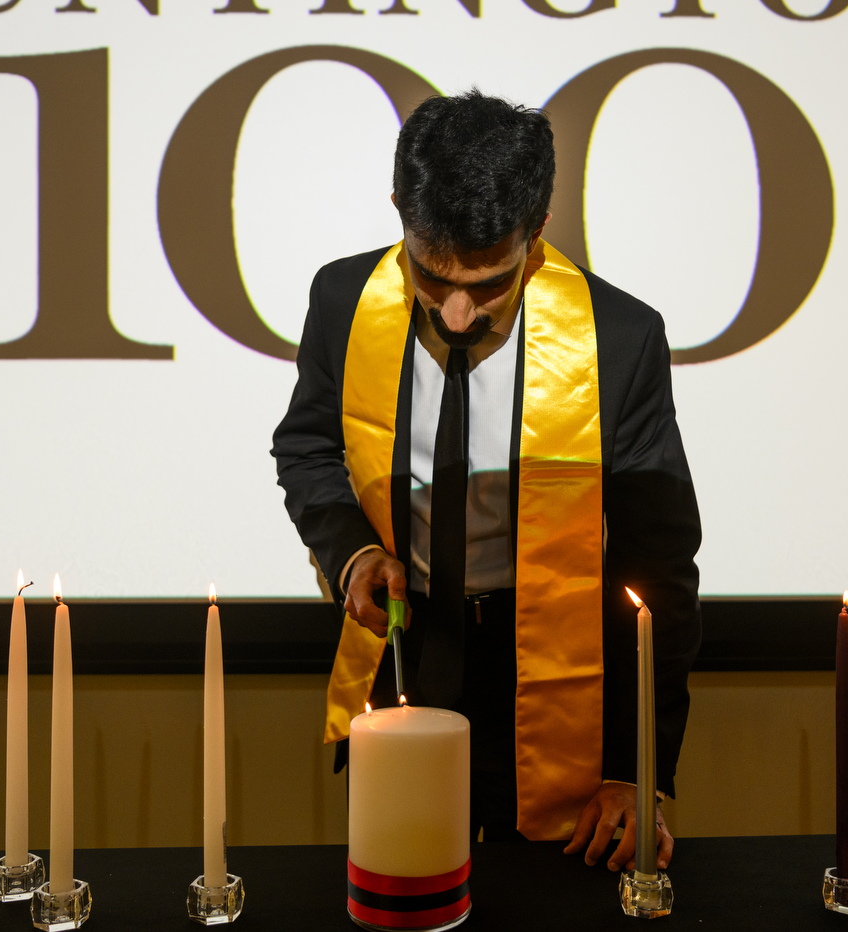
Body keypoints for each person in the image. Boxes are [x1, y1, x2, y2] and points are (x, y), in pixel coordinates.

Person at [271, 90, 701, 872]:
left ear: (536, 233)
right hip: (408, 647)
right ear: (400, 207)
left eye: (491, 283)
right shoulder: (342, 301)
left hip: (557, 675)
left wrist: (638, 768)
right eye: (432, 282)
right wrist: (353, 556)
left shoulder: (622, 339)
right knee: (399, 890)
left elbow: (662, 568)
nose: (459, 314)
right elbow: (305, 449)